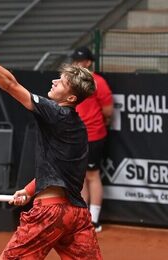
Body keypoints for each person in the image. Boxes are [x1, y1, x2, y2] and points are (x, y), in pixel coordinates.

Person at [0, 31, 102, 260]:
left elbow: (10, 84)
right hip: (76, 216)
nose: (54, 81)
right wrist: (30, 190)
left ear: (70, 98)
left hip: (49, 214)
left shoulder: (55, 112)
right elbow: (58, 170)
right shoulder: (78, 128)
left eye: (61, 82)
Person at [70, 47, 113, 233]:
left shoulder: (98, 82)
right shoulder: (70, 81)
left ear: (89, 62)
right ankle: (83, 218)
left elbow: (108, 111)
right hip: (74, 135)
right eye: (76, 61)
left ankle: (94, 220)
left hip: (94, 135)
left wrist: (101, 123)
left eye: (82, 61)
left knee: (92, 175)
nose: (79, 64)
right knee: (80, 177)